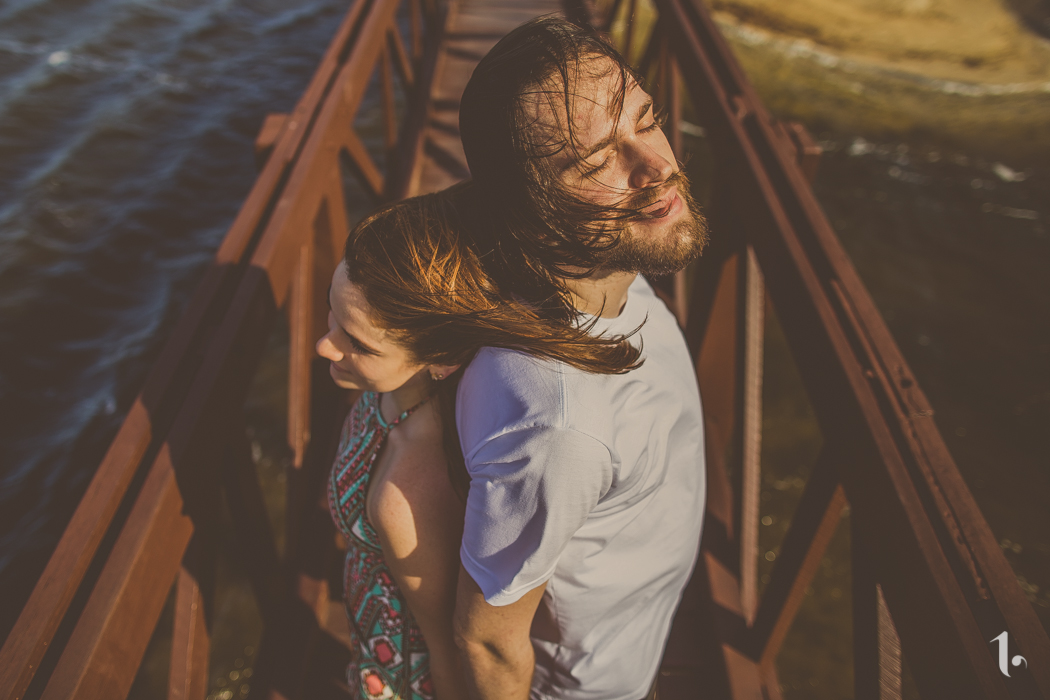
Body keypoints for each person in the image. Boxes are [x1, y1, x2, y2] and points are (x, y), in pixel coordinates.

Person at [451, 17, 710, 700]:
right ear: (530, 211)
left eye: (646, 119)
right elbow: (485, 637)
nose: (657, 168)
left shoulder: (610, 264)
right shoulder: (558, 425)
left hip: (636, 637)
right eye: (597, 164)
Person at [317, 192, 643, 700]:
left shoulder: (407, 495)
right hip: (373, 633)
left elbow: (445, 643)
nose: (325, 344)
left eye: (358, 343)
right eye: (331, 314)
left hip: (399, 674)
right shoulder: (392, 392)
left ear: (440, 358)